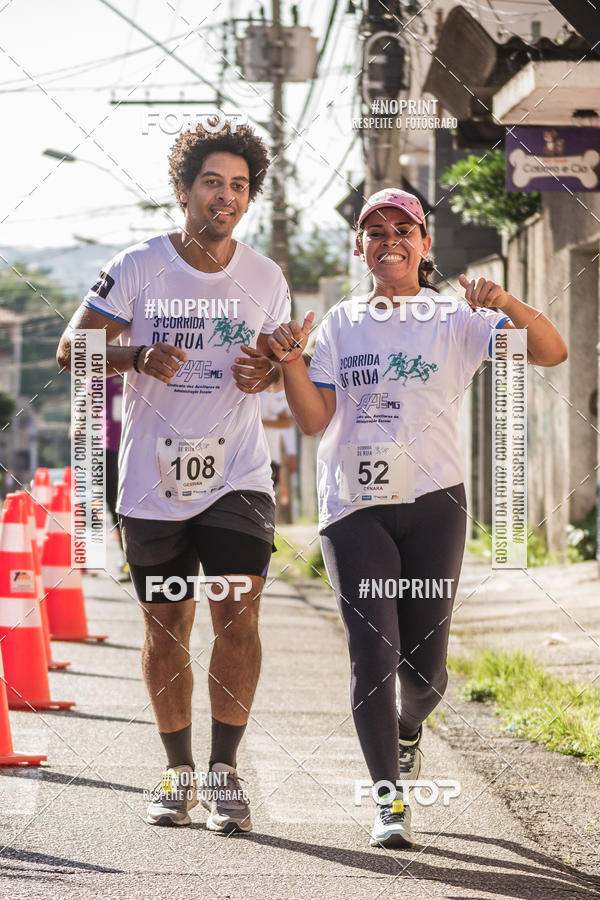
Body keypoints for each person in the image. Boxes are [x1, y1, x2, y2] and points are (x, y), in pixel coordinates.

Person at [267, 188, 567, 849]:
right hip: (355, 505)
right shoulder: (340, 325)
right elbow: (315, 421)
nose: (389, 238)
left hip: (435, 504)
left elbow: (551, 352)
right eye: (374, 230)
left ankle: (410, 729)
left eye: (403, 228)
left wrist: (507, 304)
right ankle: (389, 803)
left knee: (425, 673)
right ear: (359, 248)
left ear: (425, 244)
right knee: (371, 651)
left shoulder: (455, 318)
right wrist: (291, 360)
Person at [57, 121, 290, 834]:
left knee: (236, 616)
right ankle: (175, 772)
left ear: (249, 199)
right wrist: (134, 358)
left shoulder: (266, 277)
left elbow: (271, 365)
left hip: (237, 477)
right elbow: (73, 352)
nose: (226, 196)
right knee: (166, 627)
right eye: (213, 182)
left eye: (239, 186)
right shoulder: (136, 266)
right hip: (154, 483)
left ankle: (223, 773)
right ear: (184, 189)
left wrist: (269, 366)